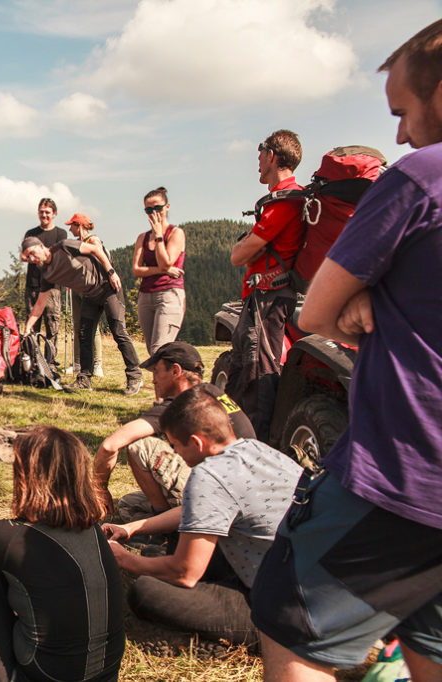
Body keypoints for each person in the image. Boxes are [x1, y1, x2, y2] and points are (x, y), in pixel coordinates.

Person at [251, 21, 442, 681]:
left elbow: (314, 314)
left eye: (403, 112)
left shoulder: (422, 177)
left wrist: (360, 297)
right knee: (431, 644)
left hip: (409, 469)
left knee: (291, 623)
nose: (400, 137)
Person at [0, 426, 124, 682]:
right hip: (106, 676)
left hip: (33, 676)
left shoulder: (11, 538)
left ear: (26, 477)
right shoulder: (93, 530)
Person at [104, 387, 302, 646]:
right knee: (171, 551)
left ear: (197, 443)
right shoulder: (258, 450)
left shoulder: (209, 475)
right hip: (301, 579)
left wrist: (126, 559)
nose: (176, 453)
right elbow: (198, 513)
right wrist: (132, 528)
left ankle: (232, 640)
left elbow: (185, 573)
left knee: (145, 592)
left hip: (281, 609)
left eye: (175, 445)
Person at [92, 341, 255, 519]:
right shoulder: (213, 392)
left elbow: (110, 445)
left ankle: (166, 523)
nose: (153, 380)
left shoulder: (184, 403)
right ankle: (167, 519)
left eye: (156, 371)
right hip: (247, 490)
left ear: (176, 371)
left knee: (141, 448)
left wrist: (99, 489)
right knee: (129, 505)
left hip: (218, 495)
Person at [227, 130, 305, 441]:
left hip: (268, 301)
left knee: (258, 376)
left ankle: (257, 446)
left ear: (271, 155)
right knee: (241, 373)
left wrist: (245, 246)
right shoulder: (284, 200)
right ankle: (232, 439)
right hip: (262, 298)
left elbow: (238, 255)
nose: (258, 161)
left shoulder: (285, 202)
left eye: (260, 153)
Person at [21, 236, 142, 394]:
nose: (31, 259)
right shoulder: (47, 274)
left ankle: (134, 376)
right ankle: (84, 379)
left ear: (41, 246)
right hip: (90, 296)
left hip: (108, 288)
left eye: (31, 253)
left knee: (118, 331)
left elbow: (95, 249)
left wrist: (111, 272)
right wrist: (28, 327)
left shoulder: (64, 247)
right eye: (28, 258)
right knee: (84, 336)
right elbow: (40, 304)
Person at [132, 187, 185, 355]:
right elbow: (136, 270)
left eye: (158, 208)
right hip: (145, 296)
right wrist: (163, 270)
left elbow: (165, 262)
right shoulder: (142, 237)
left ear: (167, 207)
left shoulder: (176, 233)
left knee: (160, 350)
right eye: (149, 210)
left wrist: (158, 236)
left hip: (169, 294)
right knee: (152, 351)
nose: (154, 213)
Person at [65, 213, 105, 379]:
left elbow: (100, 263)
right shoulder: (77, 243)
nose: (70, 229)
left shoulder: (93, 241)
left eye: (72, 225)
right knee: (77, 325)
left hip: (90, 289)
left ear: (79, 225)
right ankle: (77, 363)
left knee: (92, 327)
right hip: (77, 287)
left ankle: (97, 365)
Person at [23, 197, 67, 340]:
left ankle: (51, 355)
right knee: (31, 329)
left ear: (54, 213)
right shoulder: (31, 233)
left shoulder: (61, 234)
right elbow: (23, 255)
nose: (44, 215)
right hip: (32, 285)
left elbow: (60, 257)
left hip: (53, 286)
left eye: (47, 212)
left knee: (52, 326)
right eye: (41, 212)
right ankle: (32, 353)